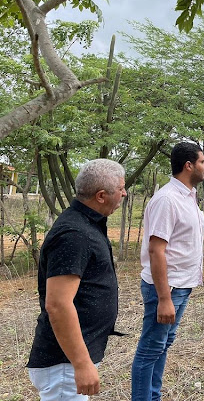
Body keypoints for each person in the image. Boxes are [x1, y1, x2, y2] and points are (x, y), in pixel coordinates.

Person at [27, 159, 126, 400]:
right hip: (64, 365)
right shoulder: (75, 234)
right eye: (121, 188)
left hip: (69, 360)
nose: (125, 193)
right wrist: (81, 364)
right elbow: (58, 304)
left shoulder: (87, 224)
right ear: (101, 196)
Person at [131, 142, 204, 401]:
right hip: (167, 288)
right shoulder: (167, 199)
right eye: (202, 162)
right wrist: (164, 298)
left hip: (181, 286)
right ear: (189, 166)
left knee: (162, 345)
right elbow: (156, 250)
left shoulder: (188, 197)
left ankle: (153, 396)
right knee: (150, 349)